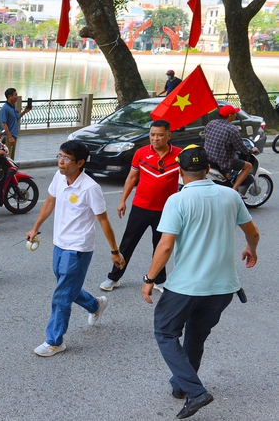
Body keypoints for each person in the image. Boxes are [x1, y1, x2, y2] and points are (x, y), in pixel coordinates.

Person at [142, 145, 259, 419]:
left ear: (180, 172)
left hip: (186, 286)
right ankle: (181, 386)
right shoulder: (231, 195)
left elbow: (165, 246)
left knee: (165, 332)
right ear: (208, 169)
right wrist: (251, 249)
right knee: (196, 335)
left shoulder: (178, 200)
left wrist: (149, 278)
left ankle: (196, 392)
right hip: (223, 288)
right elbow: (253, 233)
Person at [25, 140, 125, 357]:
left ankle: (55, 341)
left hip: (78, 248)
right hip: (59, 244)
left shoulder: (90, 188)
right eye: (59, 156)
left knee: (61, 296)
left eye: (66, 158)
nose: (61, 161)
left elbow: (104, 220)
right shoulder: (59, 177)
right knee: (66, 287)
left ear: (80, 162)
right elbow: (50, 202)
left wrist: (115, 251)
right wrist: (35, 228)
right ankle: (95, 305)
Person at [100, 120, 182, 292]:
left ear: (169, 135)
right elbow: (131, 177)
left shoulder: (179, 156)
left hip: (166, 210)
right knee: (127, 244)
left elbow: (187, 179)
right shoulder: (141, 153)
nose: (155, 138)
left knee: (160, 245)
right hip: (141, 207)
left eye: (160, 135)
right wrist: (123, 200)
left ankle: (159, 280)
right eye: (152, 135)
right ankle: (113, 277)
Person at [204, 105, 258, 195]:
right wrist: (251, 151)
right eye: (234, 114)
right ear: (229, 115)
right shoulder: (232, 129)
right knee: (248, 166)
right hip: (222, 161)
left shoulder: (211, 123)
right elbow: (241, 148)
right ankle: (234, 189)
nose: (235, 115)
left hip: (208, 157)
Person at [0, 88, 32, 160]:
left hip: (13, 136)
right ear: (9, 96)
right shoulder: (5, 108)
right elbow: (3, 124)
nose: (17, 97)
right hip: (7, 137)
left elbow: (17, 117)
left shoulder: (13, 107)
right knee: (7, 158)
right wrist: (10, 137)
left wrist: (25, 111)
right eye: (15, 95)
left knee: (11, 157)